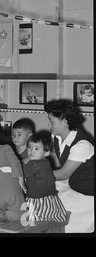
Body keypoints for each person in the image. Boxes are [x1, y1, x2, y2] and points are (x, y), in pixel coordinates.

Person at [45, 99, 94, 232]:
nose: (49, 125)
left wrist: (35, 175)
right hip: (74, 185)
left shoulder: (82, 145)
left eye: (52, 121)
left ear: (65, 122)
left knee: (53, 209)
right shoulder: (58, 137)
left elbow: (63, 174)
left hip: (88, 195)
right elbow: (52, 158)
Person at [23, 131, 67, 222]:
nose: (31, 151)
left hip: (35, 199)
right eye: (30, 147)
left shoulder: (33, 164)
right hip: (50, 199)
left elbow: (21, 173)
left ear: (47, 152)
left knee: (30, 221)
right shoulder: (46, 162)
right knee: (49, 217)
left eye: (36, 148)